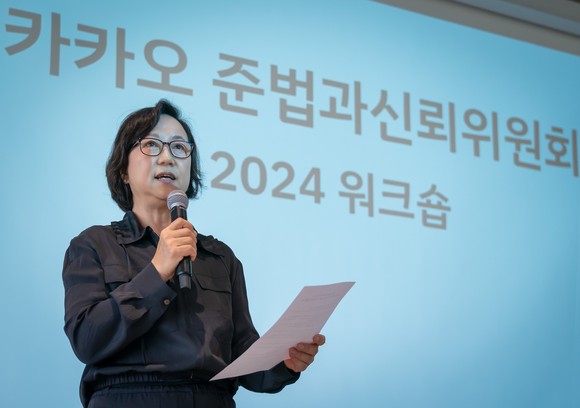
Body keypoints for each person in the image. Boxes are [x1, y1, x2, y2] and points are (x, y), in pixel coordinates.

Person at [62, 99, 325, 408]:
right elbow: (87, 339)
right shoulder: (93, 244)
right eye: (151, 145)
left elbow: (243, 356)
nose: (167, 158)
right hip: (127, 397)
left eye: (179, 148)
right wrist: (157, 272)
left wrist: (284, 363)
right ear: (123, 170)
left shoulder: (220, 257)